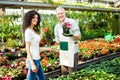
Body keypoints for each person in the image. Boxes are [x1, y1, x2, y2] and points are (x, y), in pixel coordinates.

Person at [54, 6, 81, 76]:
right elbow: (57, 41)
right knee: (64, 73)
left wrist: (71, 35)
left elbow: (79, 37)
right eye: (58, 14)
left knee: (72, 74)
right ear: (56, 15)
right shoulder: (56, 27)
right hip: (63, 52)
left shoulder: (72, 22)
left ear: (64, 13)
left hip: (72, 51)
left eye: (61, 13)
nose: (60, 15)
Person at [22, 10, 46, 80]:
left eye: (37, 18)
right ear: (29, 18)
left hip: (37, 59)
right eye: (34, 17)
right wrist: (32, 64)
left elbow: (37, 42)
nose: (36, 19)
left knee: (42, 78)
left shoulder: (32, 30)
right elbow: (27, 48)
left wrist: (42, 33)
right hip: (33, 60)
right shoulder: (28, 31)